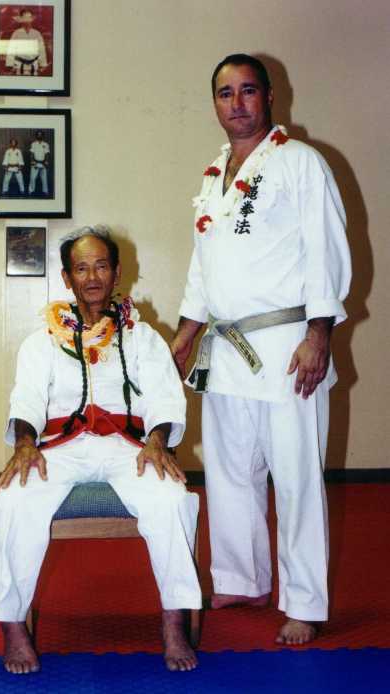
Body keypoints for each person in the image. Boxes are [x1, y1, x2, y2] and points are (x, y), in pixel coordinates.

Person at [171, 54, 351, 646]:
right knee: (228, 471)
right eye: (225, 93)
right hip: (224, 349)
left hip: (285, 345)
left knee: (296, 476)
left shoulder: (301, 163)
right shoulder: (213, 173)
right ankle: (241, 576)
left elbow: (326, 253)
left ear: (270, 97)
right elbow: (205, 267)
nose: (237, 103)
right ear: (215, 104)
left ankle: (304, 600)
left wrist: (319, 335)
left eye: (248, 91)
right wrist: (185, 334)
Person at [0, 225, 201, 674]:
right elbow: (25, 398)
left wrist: (157, 441)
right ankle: (11, 625)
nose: (92, 276)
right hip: (60, 448)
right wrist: (25, 444)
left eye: (101, 265)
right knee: (11, 502)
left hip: (129, 448)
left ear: (117, 272)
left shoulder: (143, 337)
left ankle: (174, 619)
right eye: (81, 268)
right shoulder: (40, 341)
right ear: (67, 278)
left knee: (173, 499)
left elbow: (163, 397)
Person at [4, 9, 48, 76]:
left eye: (28, 19)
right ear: (21, 21)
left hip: (33, 66)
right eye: (25, 20)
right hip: (19, 66)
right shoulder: (16, 33)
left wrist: (42, 64)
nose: (27, 22)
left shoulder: (37, 33)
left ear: (31, 20)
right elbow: (11, 49)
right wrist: (10, 64)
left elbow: (41, 49)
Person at [28, 131, 50, 195]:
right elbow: (31, 153)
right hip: (35, 162)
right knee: (32, 177)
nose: (39, 136)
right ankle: (31, 190)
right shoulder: (33, 144)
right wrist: (32, 161)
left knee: (44, 178)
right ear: (36, 136)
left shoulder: (46, 144)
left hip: (43, 162)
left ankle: (45, 190)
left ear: (43, 136)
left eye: (40, 135)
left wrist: (46, 161)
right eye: (38, 135)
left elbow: (47, 154)